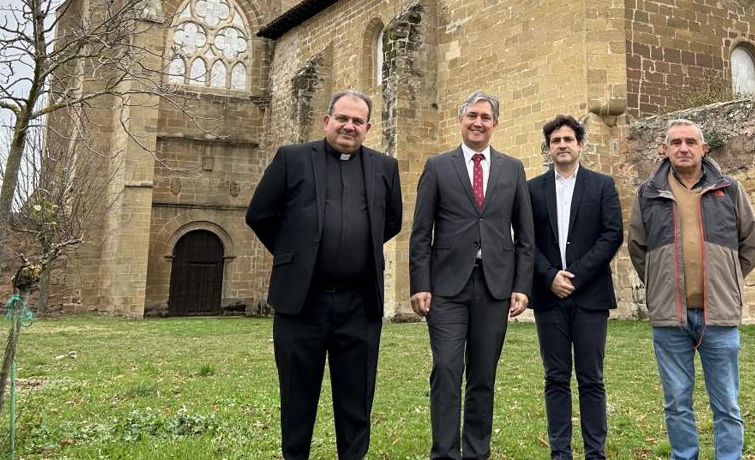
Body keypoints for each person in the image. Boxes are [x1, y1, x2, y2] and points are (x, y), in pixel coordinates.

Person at [245, 89, 402, 460]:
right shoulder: (292, 159)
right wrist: (293, 256)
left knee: (356, 398)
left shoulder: (385, 167)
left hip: (359, 303)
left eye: (358, 121)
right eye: (343, 118)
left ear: (368, 127)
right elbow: (260, 215)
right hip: (302, 303)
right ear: (326, 121)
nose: (349, 126)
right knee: (298, 396)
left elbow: (391, 221)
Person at [628, 119, 755, 460]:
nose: (683, 148)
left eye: (691, 142)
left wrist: (726, 279)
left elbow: (752, 245)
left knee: (727, 404)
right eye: (675, 142)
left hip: (718, 315)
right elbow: (637, 249)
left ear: (704, 149)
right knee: (676, 402)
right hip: (669, 317)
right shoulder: (647, 193)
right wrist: (662, 285)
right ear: (665, 149)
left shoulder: (729, 189)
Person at [409, 90, 534, 460]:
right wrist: (420, 284)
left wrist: (521, 286)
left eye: (486, 117)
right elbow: (420, 231)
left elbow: (525, 234)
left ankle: (477, 453)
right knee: (447, 369)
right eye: (472, 116)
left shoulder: (513, 169)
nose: (478, 122)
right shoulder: (437, 166)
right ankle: (445, 454)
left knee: (482, 376)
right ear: (460, 120)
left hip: (495, 286)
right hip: (446, 287)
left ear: (495, 124)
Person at [528, 115, 623, 460]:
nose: (563, 145)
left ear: (580, 145)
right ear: (549, 148)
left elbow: (612, 234)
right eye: (556, 141)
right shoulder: (532, 189)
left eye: (568, 139)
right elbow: (526, 240)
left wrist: (576, 276)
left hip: (591, 296)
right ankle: (560, 453)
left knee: (591, 378)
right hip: (548, 297)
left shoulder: (602, 185)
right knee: (555, 378)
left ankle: (595, 453)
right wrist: (550, 276)